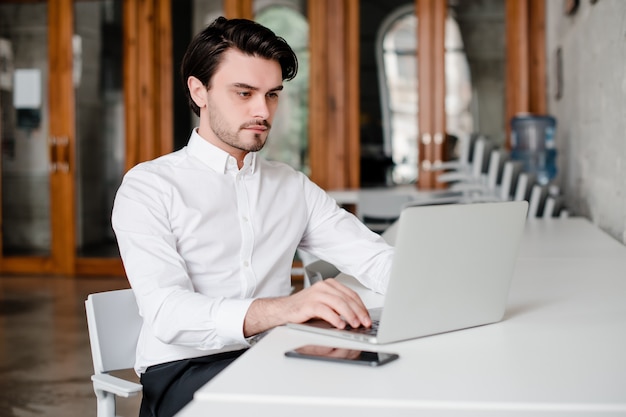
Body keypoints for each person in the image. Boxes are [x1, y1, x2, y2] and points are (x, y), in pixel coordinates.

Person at [112, 16, 393, 417]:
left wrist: (429, 289)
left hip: (275, 353)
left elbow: (373, 257)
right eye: (244, 93)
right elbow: (168, 312)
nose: (262, 110)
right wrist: (287, 308)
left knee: (377, 387)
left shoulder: (291, 186)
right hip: (184, 370)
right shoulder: (148, 187)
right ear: (199, 91)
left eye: (272, 94)